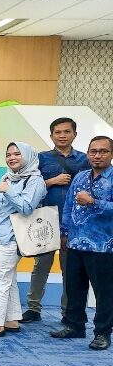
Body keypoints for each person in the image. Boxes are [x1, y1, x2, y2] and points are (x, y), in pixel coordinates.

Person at [21, 117, 89, 323]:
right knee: (41, 266)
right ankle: (33, 308)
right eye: (57, 132)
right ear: (51, 136)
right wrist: (52, 181)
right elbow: (28, 185)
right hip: (46, 220)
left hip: (75, 223)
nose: (62, 136)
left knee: (71, 269)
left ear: (75, 134)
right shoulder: (41, 158)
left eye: (67, 132)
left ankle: (68, 312)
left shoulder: (85, 160)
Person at [51, 136, 113, 351]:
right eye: (93, 151)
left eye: (103, 151)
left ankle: (102, 333)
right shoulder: (80, 177)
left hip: (103, 245)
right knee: (74, 287)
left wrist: (93, 202)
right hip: (75, 242)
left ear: (111, 154)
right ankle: (75, 325)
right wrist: (64, 232)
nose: (97, 155)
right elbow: (69, 205)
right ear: (87, 154)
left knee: (104, 291)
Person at [0, 142, 46, 337]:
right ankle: (11, 320)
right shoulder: (7, 177)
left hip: (14, 239)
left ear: (28, 156)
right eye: (8, 154)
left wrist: (8, 190)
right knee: (9, 278)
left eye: (17, 154)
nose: (12, 158)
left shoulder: (35, 181)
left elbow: (26, 208)